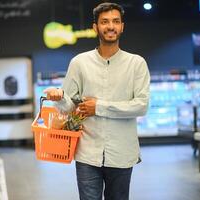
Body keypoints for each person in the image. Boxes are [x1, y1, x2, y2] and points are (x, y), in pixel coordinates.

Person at [43, 2, 150, 200]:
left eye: (116, 21)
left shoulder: (136, 64)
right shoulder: (79, 63)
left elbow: (141, 105)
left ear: (122, 26)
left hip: (122, 153)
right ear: (95, 28)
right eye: (105, 22)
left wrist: (98, 107)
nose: (111, 26)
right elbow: (68, 106)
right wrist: (58, 98)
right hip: (87, 153)